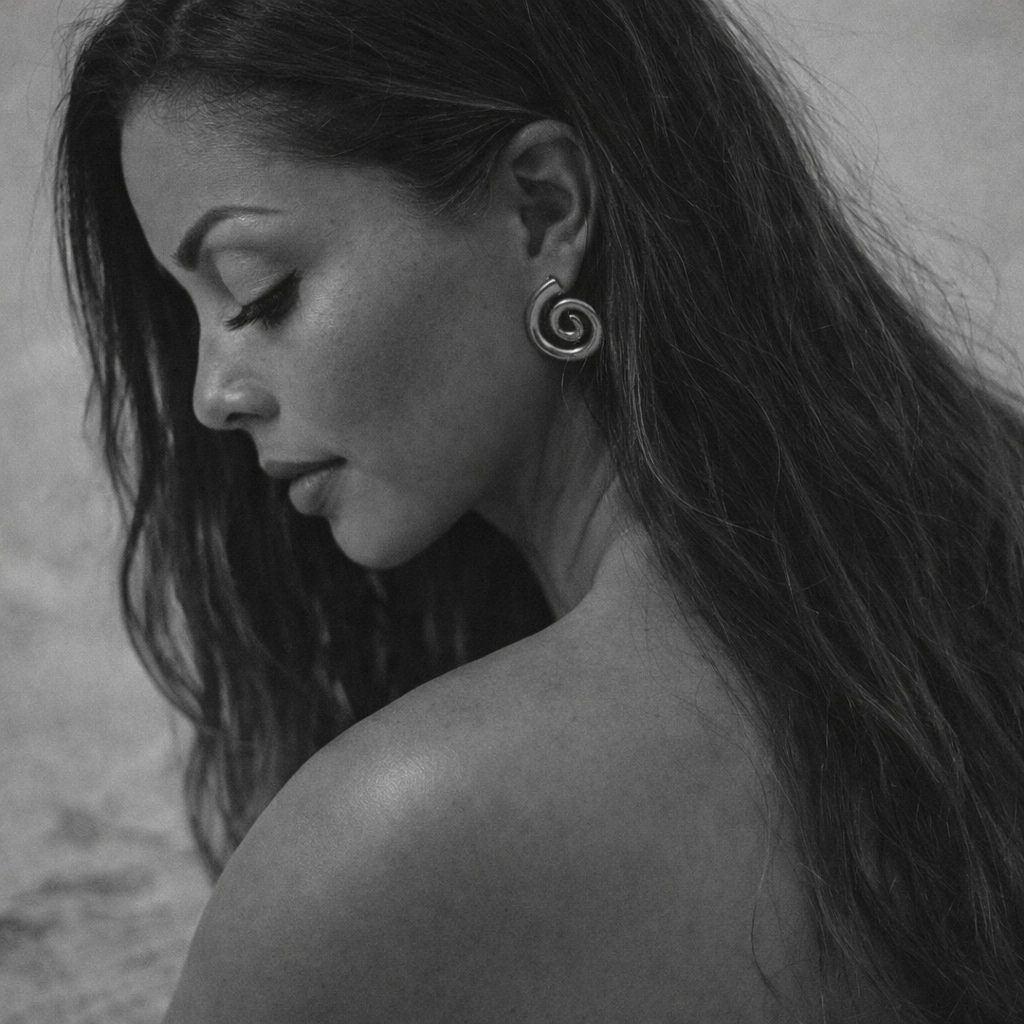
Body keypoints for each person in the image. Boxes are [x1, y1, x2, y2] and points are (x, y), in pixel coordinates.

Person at [52, 0, 1024, 1020]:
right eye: (186, 315)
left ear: (542, 210)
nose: (213, 393)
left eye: (260, 292)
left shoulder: (386, 846)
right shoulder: (963, 565)